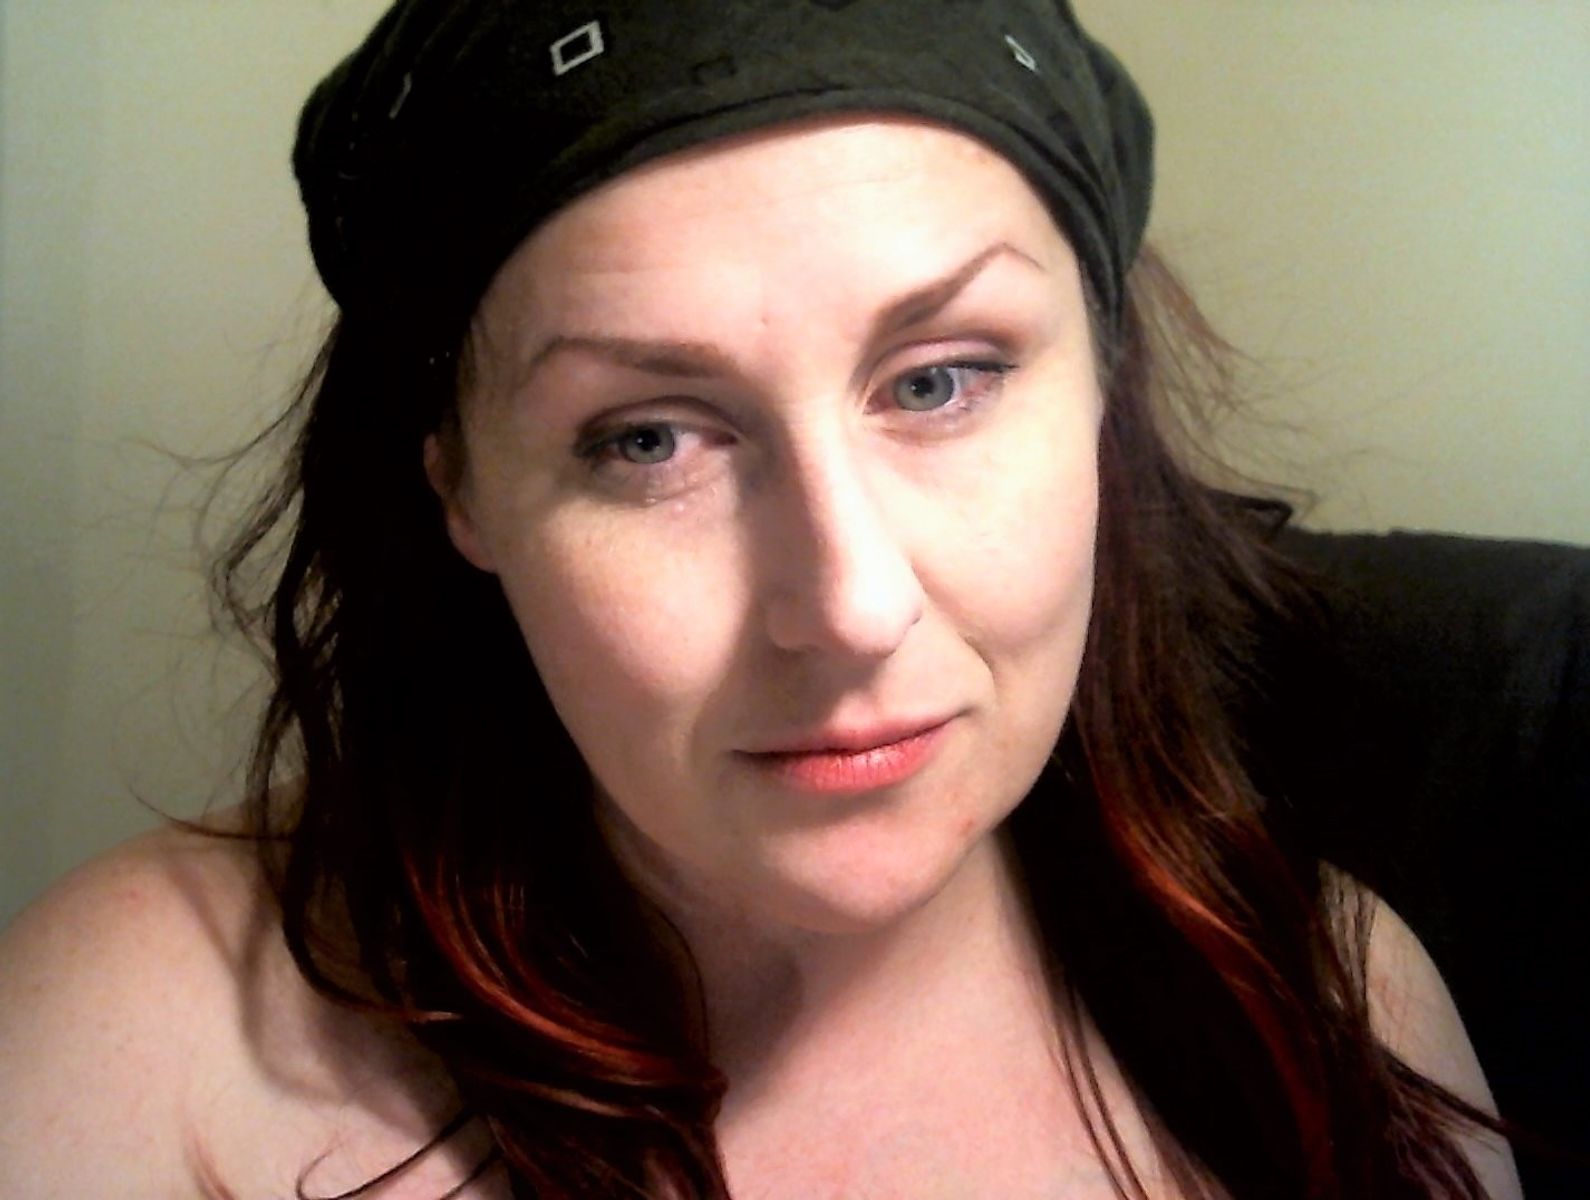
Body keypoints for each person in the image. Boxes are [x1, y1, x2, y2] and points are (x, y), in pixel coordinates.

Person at [0, 2, 1528, 1197]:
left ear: (1102, 401)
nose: (849, 607)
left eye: (938, 381)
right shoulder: (138, 1053)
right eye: (648, 439)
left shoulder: (1333, 1006)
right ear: (461, 490)